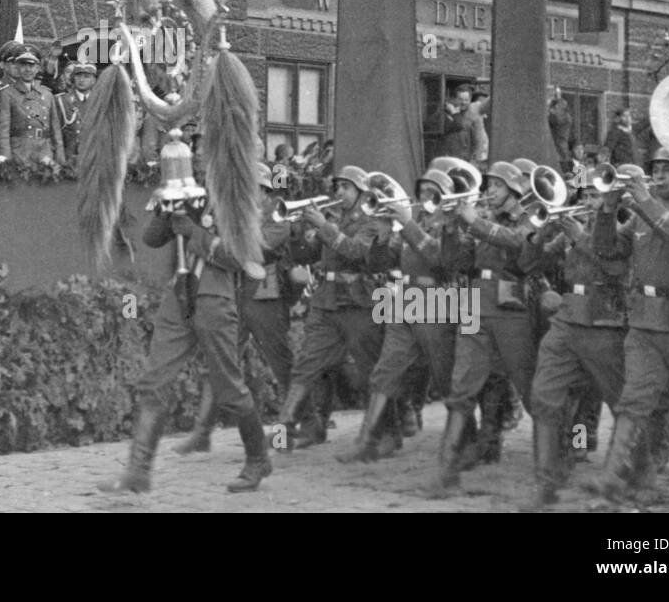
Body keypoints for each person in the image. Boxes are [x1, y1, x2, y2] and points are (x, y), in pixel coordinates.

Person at [98, 135, 272, 495]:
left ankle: (258, 459)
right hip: (180, 295)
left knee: (229, 387)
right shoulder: (191, 189)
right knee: (154, 380)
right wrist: (169, 206)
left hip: (215, 296)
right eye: (202, 151)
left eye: (211, 151)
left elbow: (240, 258)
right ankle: (138, 470)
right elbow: (152, 238)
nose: (203, 156)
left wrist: (192, 230)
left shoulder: (243, 200)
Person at [582, 150, 669, 504]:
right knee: (634, 402)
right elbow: (606, 250)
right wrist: (608, 209)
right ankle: (611, 476)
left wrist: (644, 200)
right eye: (655, 170)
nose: (657, 177)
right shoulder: (642, 217)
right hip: (644, 322)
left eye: (666, 172)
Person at [521, 174, 636, 509]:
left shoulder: (627, 225)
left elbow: (616, 268)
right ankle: (547, 481)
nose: (588, 202)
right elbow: (531, 263)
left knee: (621, 405)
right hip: (567, 319)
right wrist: (539, 232)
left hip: (605, 322)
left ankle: (634, 471)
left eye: (595, 196)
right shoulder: (572, 230)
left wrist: (582, 238)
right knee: (544, 396)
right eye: (584, 195)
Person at [176, 163, 308, 454]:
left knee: (280, 362)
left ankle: (292, 425)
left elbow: (254, 248)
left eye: (250, 188)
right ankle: (202, 432)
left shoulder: (278, 213)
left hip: (265, 293)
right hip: (234, 291)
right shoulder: (234, 213)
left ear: (263, 190)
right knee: (221, 363)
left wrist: (223, 240)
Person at [348, 166, 475, 466]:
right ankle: (369, 440)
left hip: (440, 301)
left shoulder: (454, 224)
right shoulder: (412, 222)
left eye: (433, 192)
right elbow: (380, 262)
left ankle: (467, 442)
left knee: (447, 380)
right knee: (384, 372)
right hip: (405, 301)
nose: (425, 197)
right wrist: (381, 234)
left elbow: (442, 261)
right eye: (422, 191)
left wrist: (406, 225)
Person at [429, 161, 538, 496]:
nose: (489, 191)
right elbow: (456, 263)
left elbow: (519, 245)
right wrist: (450, 228)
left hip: (511, 303)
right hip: (475, 301)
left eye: (496, 185)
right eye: (488, 185)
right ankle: (448, 466)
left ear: (514, 189)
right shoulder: (483, 220)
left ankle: (561, 450)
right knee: (462, 384)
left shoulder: (529, 217)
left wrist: (473, 221)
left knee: (528, 384)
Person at [275, 166, 394, 454]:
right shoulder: (332, 217)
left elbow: (356, 251)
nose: (338, 192)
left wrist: (325, 228)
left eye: (346, 187)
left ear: (361, 192)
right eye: (337, 186)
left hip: (358, 303)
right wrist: (301, 232)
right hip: (326, 303)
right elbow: (308, 254)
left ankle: (389, 432)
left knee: (371, 371)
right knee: (306, 365)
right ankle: (285, 431)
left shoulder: (373, 221)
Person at [0, 45, 65, 166]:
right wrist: (6, 163)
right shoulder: (7, 93)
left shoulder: (47, 95)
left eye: (31, 65)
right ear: (17, 67)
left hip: (45, 153)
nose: (28, 69)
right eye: (23, 65)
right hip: (20, 153)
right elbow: (2, 133)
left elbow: (56, 133)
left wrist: (60, 161)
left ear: (37, 68)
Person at [56, 61, 96, 160]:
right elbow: (56, 134)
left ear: (93, 80)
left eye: (86, 76)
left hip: (94, 158)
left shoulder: (99, 102)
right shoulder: (62, 100)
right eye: (78, 76)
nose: (81, 80)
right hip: (69, 158)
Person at [429, 84, 474, 159]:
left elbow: (474, 141)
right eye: (460, 99)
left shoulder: (470, 115)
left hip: (462, 159)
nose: (463, 102)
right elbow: (458, 125)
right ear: (454, 99)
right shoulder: (443, 115)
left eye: (466, 100)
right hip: (447, 159)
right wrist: (453, 112)